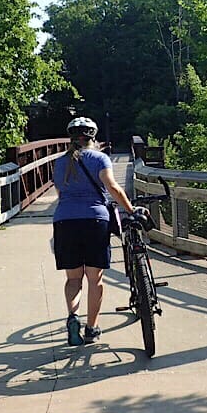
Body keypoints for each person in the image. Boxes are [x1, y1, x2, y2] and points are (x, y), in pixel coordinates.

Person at [52, 116, 138, 345]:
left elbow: (61, 195)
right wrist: (130, 209)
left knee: (73, 279)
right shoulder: (100, 158)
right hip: (94, 221)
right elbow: (112, 186)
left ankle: (72, 316)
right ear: (93, 136)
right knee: (95, 279)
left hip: (65, 221)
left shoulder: (59, 163)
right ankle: (91, 328)